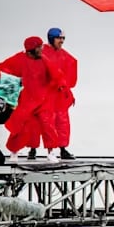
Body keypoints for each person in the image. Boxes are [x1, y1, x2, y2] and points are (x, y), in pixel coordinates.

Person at [0, 36, 61, 163]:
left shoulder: (44, 60)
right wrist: (13, 81)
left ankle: (51, 152)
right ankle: (14, 152)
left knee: (48, 125)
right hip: (27, 99)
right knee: (20, 125)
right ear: (31, 49)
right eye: (39, 47)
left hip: (43, 99)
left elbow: (57, 75)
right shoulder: (19, 59)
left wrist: (58, 86)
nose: (42, 49)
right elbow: (2, 68)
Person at [41, 27, 77, 160]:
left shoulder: (64, 55)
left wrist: (68, 91)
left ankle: (62, 149)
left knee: (62, 121)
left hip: (59, 95)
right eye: (59, 38)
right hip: (46, 94)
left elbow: (71, 69)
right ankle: (35, 148)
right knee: (44, 121)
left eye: (63, 38)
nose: (61, 41)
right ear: (51, 38)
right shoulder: (42, 52)